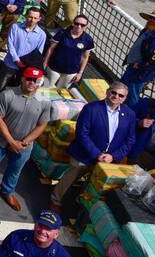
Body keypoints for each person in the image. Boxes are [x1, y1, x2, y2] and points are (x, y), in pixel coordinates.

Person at [53, 83, 137, 211]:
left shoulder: (129, 114)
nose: (116, 96)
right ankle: (56, 200)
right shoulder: (91, 108)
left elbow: (130, 140)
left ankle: (81, 201)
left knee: (92, 183)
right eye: (114, 92)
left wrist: (113, 156)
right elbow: (82, 134)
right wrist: (97, 154)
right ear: (108, 91)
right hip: (84, 154)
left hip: (109, 159)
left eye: (121, 95)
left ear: (125, 98)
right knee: (69, 178)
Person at [0, 67, 52, 211]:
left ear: (40, 82)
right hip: (0, 140)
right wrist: (11, 141)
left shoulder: (44, 101)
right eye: (28, 79)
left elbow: (42, 125)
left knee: (14, 171)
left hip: (24, 146)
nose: (31, 82)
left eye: (35, 80)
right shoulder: (8, 94)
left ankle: (6, 191)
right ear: (22, 79)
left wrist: (24, 142)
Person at [120, 6, 155, 106]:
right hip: (133, 66)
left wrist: (140, 66)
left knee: (132, 97)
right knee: (120, 89)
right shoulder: (148, 29)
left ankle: (130, 117)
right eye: (151, 17)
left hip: (140, 73)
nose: (152, 20)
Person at [42, 14, 94, 87]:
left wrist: (80, 73)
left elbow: (85, 57)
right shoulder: (62, 33)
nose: (79, 26)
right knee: (46, 89)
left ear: (87, 26)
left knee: (61, 93)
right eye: (77, 23)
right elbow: (51, 49)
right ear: (73, 23)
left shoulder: (88, 39)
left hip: (71, 73)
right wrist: (45, 63)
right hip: (54, 68)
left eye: (82, 25)